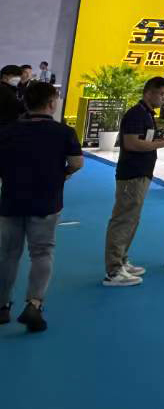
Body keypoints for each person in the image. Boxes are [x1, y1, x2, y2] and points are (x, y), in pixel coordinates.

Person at [0, 81, 82, 331]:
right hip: (46, 201)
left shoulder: (7, 131)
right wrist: (63, 174)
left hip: (11, 200)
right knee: (42, 252)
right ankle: (34, 304)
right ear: (52, 103)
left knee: (8, 254)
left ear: (25, 103)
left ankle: (2, 306)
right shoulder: (64, 132)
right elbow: (77, 163)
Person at [103, 76, 164, 285]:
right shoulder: (136, 114)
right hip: (131, 174)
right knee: (123, 219)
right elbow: (132, 143)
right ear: (149, 92)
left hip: (141, 173)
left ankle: (122, 260)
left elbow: (144, 140)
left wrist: (161, 141)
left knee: (132, 219)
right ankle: (113, 270)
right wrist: (163, 144)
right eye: (161, 94)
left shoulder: (147, 114)